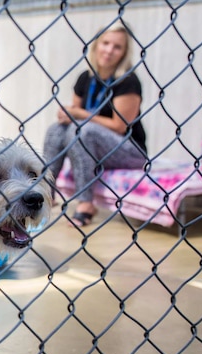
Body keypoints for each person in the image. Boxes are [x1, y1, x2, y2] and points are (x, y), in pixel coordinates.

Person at [44, 22, 148, 227]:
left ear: (124, 53)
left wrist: (80, 114)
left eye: (117, 47)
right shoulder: (86, 78)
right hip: (91, 144)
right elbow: (73, 119)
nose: (109, 50)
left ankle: (85, 203)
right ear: (96, 46)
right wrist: (67, 115)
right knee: (57, 129)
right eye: (106, 43)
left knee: (84, 131)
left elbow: (120, 126)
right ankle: (47, 190)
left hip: (129, 150)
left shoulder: (128, 81)